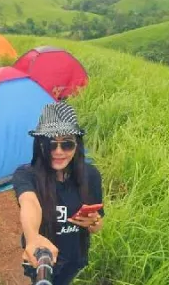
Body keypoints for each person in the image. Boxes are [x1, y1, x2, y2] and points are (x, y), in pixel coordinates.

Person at [12, 101, 105, 285]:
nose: (58, 152)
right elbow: (30, 203)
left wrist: (93, 221)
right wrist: (33, 239)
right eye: (51, 144)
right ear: (40, 145)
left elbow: (97, 226)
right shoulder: (26, 175)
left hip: (74, 257)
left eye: (67, 144)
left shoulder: (91, 175)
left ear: (77, 146)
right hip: (41, 258)